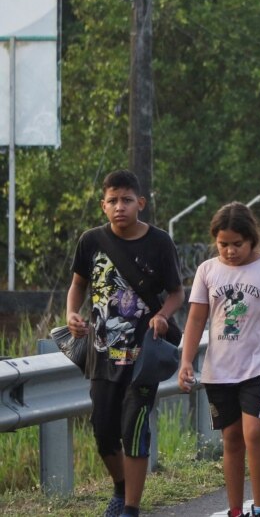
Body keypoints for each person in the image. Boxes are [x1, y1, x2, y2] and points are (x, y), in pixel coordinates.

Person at [64, 170, 184, 517]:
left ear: (140, 204)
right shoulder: (90, 241)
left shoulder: (160, 243)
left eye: (127, 200)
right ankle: (120, 487)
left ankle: (131, 508)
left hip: (142, 355)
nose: (120, 207)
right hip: (101, 355)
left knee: (134, 428)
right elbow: (78, 285)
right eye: (113, 201)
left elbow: (177, 293)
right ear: (103, 205)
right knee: (103, 431)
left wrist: (162, 315)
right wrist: (72, 313)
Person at [179, 203, 260, 517]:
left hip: (259, 366)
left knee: (254, 432)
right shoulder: (207, 271)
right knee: (232, 439)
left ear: (252, 239)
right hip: (219, 371)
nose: (229, 251)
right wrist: (186, 361)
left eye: (237, 244)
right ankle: (236, 510)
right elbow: (196, 319)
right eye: (223, 244)